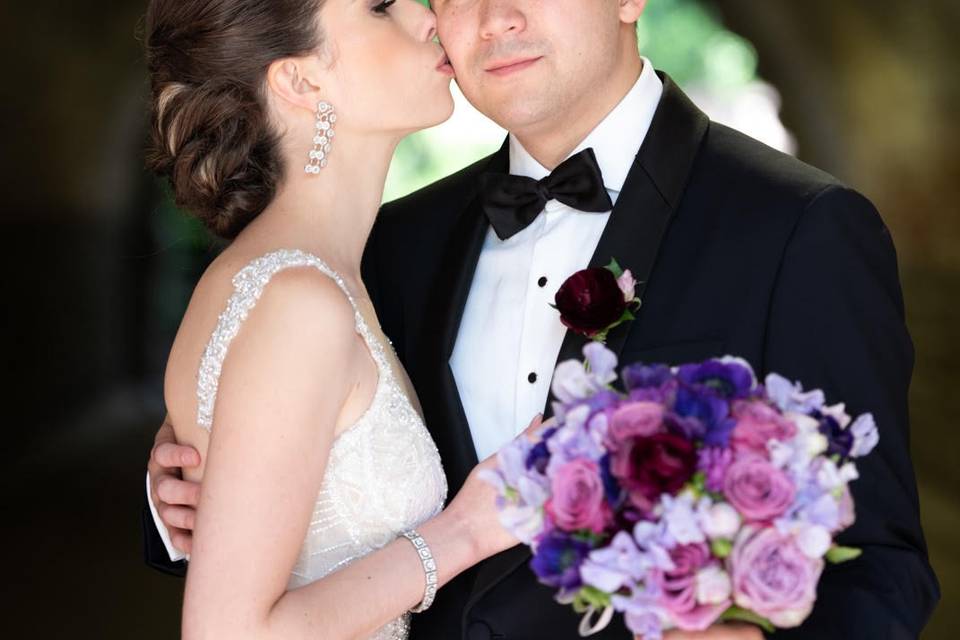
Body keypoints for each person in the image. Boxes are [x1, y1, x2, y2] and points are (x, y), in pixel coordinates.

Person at [145, 0, 940, 638]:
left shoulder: (800, 228)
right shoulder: (388, 246)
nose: (494, 20)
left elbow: (880, 567)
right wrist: (178, 486)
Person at [141, 0, 548, 638]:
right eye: (381, 8)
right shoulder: (297, 301)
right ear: (301, 81)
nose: (428, 14)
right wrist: (463, 533)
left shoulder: (326, 275)